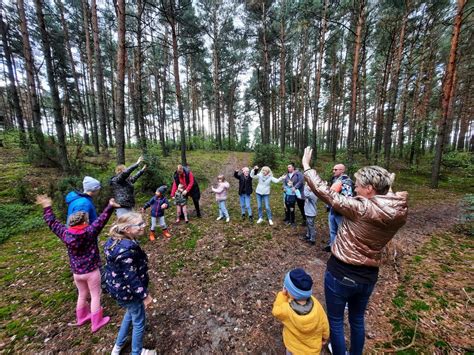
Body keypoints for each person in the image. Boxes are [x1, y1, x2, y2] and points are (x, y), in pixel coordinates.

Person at [302, 146, 408, 355]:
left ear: (370, 189)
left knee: (336, 321)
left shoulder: (362, 208)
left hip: (342, 273)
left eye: (359, 186)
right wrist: (387, 183)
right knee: (357, 319)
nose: (356, 189)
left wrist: (306, 167)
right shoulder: (397, 211)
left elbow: (325, 193)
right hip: (368, 277)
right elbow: (389, 195)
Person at [36, 194, 120, 333]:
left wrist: (47, 207)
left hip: (77, 273)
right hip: (92, 271)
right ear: (85, 222)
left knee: (82, 295)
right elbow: (101, 220)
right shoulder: (89, 232)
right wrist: (110, 206)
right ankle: (96, 322)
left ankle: (81, 318)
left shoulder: (65, 233)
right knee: (95, 295)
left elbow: (52, 222)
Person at [104, 212, 152, 355]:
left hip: (120, 291)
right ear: (127, 229)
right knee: (139, 322)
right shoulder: (126, 251)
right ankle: (136, 352)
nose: (144, 226)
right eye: (140, 224)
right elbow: (131, 277)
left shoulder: (115, 241)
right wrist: (144, 296)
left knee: (131, 313)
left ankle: (117, 347)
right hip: (128, 292)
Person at [272, 268, 329, 354]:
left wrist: (282, 295)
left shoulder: (286, 310)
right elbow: (324, 322)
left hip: (293, 348)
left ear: (290, 292)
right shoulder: (316, 304)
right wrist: (325, 336)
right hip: (312, 350)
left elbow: (276, 310)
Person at [325, 163, 354, 252]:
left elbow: (348, 197)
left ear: (342, 170)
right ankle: (332, 246)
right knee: (332, 230)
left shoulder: (346, 181)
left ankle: (341, 250)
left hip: (340, 211)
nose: (333, 171)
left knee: (341, 231)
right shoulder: (335, 179)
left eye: (336, 169)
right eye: (333, 169)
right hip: (332, 209)